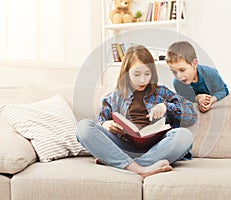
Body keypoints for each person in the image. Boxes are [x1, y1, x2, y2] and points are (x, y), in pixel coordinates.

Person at [76, 45, 197, 178]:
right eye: (137, 74)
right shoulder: (113, 98)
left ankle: (124, 164)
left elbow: (191, 114)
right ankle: (139, 168)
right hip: (123, 147)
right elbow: (98, 123)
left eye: (147, 74)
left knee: (184, 135)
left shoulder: (161, 92)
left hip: (156, 149)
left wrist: (166, 107)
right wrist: (105, 124)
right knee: (83, 127)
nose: (143, 80)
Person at [166, 41, 229, 113]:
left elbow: (223, 90)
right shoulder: (177, 82)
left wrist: (212, 100)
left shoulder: (210, 73)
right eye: (174, 71)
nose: (179, 76)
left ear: (194, 64)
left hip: (212, 96)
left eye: (182, 70)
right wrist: (197, 98)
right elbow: (185, 97)